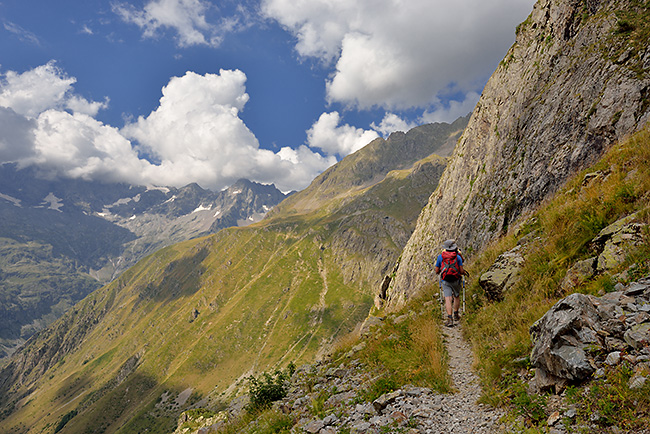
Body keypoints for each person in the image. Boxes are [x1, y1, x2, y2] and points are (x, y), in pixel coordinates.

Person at [434, 239, 464, 327]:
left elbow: (436, 271)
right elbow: (461, 270)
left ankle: (449, 318)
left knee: (448, 298)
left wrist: (442, 270)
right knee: (456, 296)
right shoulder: (458, 257)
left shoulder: (440, 257)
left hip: (445, 280)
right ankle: (456, 314)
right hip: (456, 280)